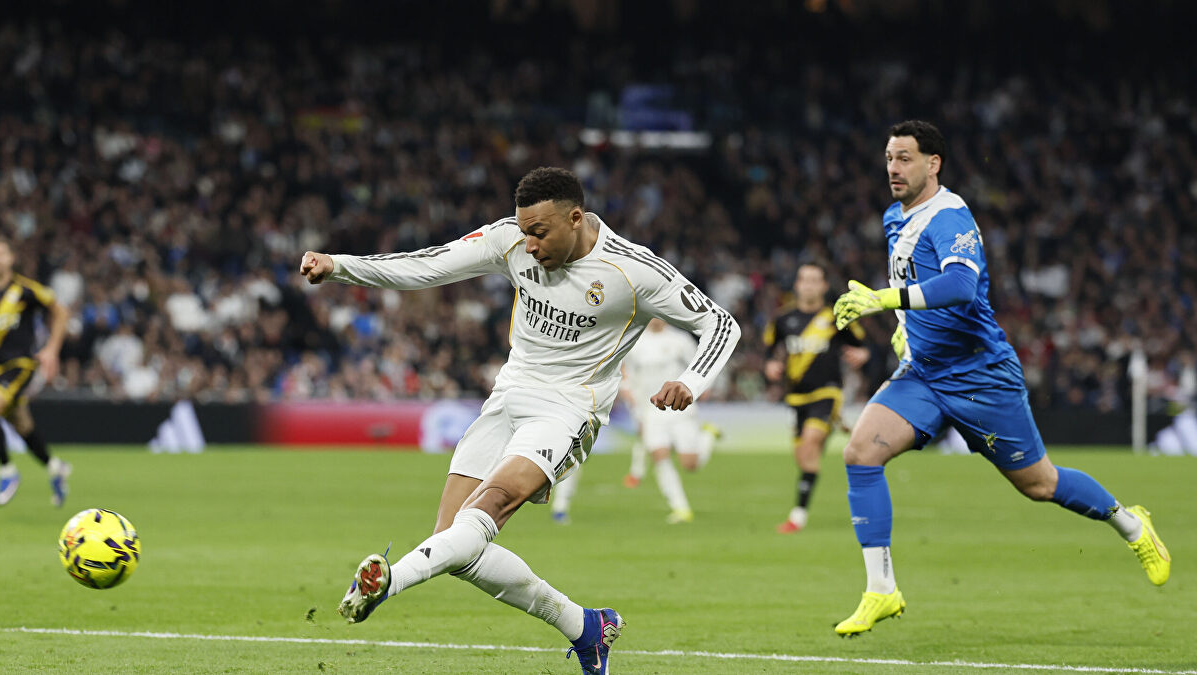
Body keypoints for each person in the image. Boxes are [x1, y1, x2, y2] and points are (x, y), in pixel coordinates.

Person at [300, 167, 740, 673]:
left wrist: (691, 381)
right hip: (508, 397)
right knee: (453, 542)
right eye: (523, 230)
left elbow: (720, 323)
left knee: (487, 509)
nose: (528, 245)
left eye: (540, 232)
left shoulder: (632, 272)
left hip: (570, 408)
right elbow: (427, 265)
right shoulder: (508, 240)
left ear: (575, 219)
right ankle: (586, 627)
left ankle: (388, 582)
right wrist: (338, 265)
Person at [829, 120, 1170, 637]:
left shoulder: (950, 217)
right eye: (889, 158)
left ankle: (1131, 524)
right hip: (924, 374)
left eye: (904, 158)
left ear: (932, 163)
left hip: (981, 374)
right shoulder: (894, 217)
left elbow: (962, 286)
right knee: (860, 453)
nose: (893, 169)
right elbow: (915, 286)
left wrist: (884, 300)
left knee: (1040, 484)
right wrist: (904, 332)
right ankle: (881, 590)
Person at [763, 263, 870, 533]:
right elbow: (769, 350)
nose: (809, 285)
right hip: (797, 398)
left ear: (823, 286)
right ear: (797, 285)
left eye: (815, 280)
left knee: (810, 444)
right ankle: (832, 426)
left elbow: (864, 346)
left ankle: (797, 517)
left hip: (828, 392)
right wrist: (770, 366)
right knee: (804, 458)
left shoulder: (837, 317)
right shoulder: (782, 319)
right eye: (804, 280)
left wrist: (863, 355)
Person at [619, 318, 719, 524]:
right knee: (659, 455)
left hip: (679, 408)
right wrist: (627, 391)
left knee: (690, 464)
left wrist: (703, 387)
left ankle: (708, 435)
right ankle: (680, 508)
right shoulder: (635, 340)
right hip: (650, 409)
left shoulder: (679, 339)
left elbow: (701, 364)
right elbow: (624, 370)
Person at [0, 236, 71, 507]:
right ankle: (55, 468)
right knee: (22, 424)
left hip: (19, 365)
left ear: (11, 258)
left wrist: (51, 349)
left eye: (2, 252)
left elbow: (60, 312)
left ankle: (6, 471)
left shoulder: (25, 290)